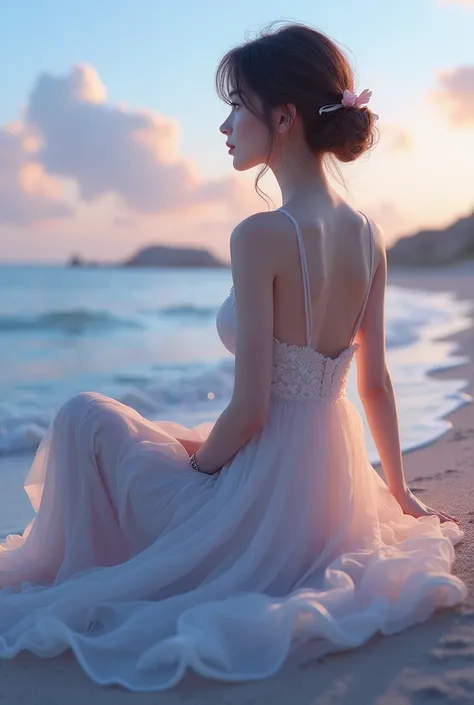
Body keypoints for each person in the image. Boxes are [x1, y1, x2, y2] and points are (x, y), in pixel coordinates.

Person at [0, 20, 467, 692]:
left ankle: (104, 560)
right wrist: (398, 493)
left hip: (262, 488)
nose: (224, 125)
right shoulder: (368, 235)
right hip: (328, 491)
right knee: (155, 433)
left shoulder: (262, 235)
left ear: (282, 118)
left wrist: (200, 471)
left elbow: (249, 410)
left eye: (235, 106)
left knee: (82, 417)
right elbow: (375, 384)